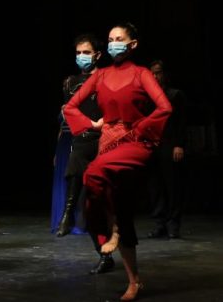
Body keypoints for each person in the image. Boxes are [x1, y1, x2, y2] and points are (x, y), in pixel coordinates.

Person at [64, 23, 171, 301]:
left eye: (119, 39)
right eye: (110, 39)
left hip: (134, 142)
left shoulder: (141, 73)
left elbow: (165, 107)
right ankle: (134, 280)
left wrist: (141, 128)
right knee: (117, 207)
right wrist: (92, 124)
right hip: (108, 141)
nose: (113, 43)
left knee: (93, 173)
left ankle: (110, 231)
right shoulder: (101, 75)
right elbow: (70, 106)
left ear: (132, 44)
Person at [55, 34, 116, 274]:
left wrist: (104, 123)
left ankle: (107, 251)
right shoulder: (70, 82)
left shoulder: (106, 78)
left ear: (97, 55)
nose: (81, 57)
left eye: (86, 53)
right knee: (75, 171)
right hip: (81, 139)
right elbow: (68, 114)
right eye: (78, 53)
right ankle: (69, 213)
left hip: (103, 142)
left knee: (101, 205)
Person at [146, 60, 187, 239]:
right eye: (152, 73)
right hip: (151, 146)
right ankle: (160, 223)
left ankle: (173, 224)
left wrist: (179, 144)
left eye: (158, 72)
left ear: (165, 74)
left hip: (170, 144)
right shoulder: (147, 96)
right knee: (155, 186)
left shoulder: (174, 95)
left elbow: (182, 122)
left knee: (172, 185)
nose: (155, 76)